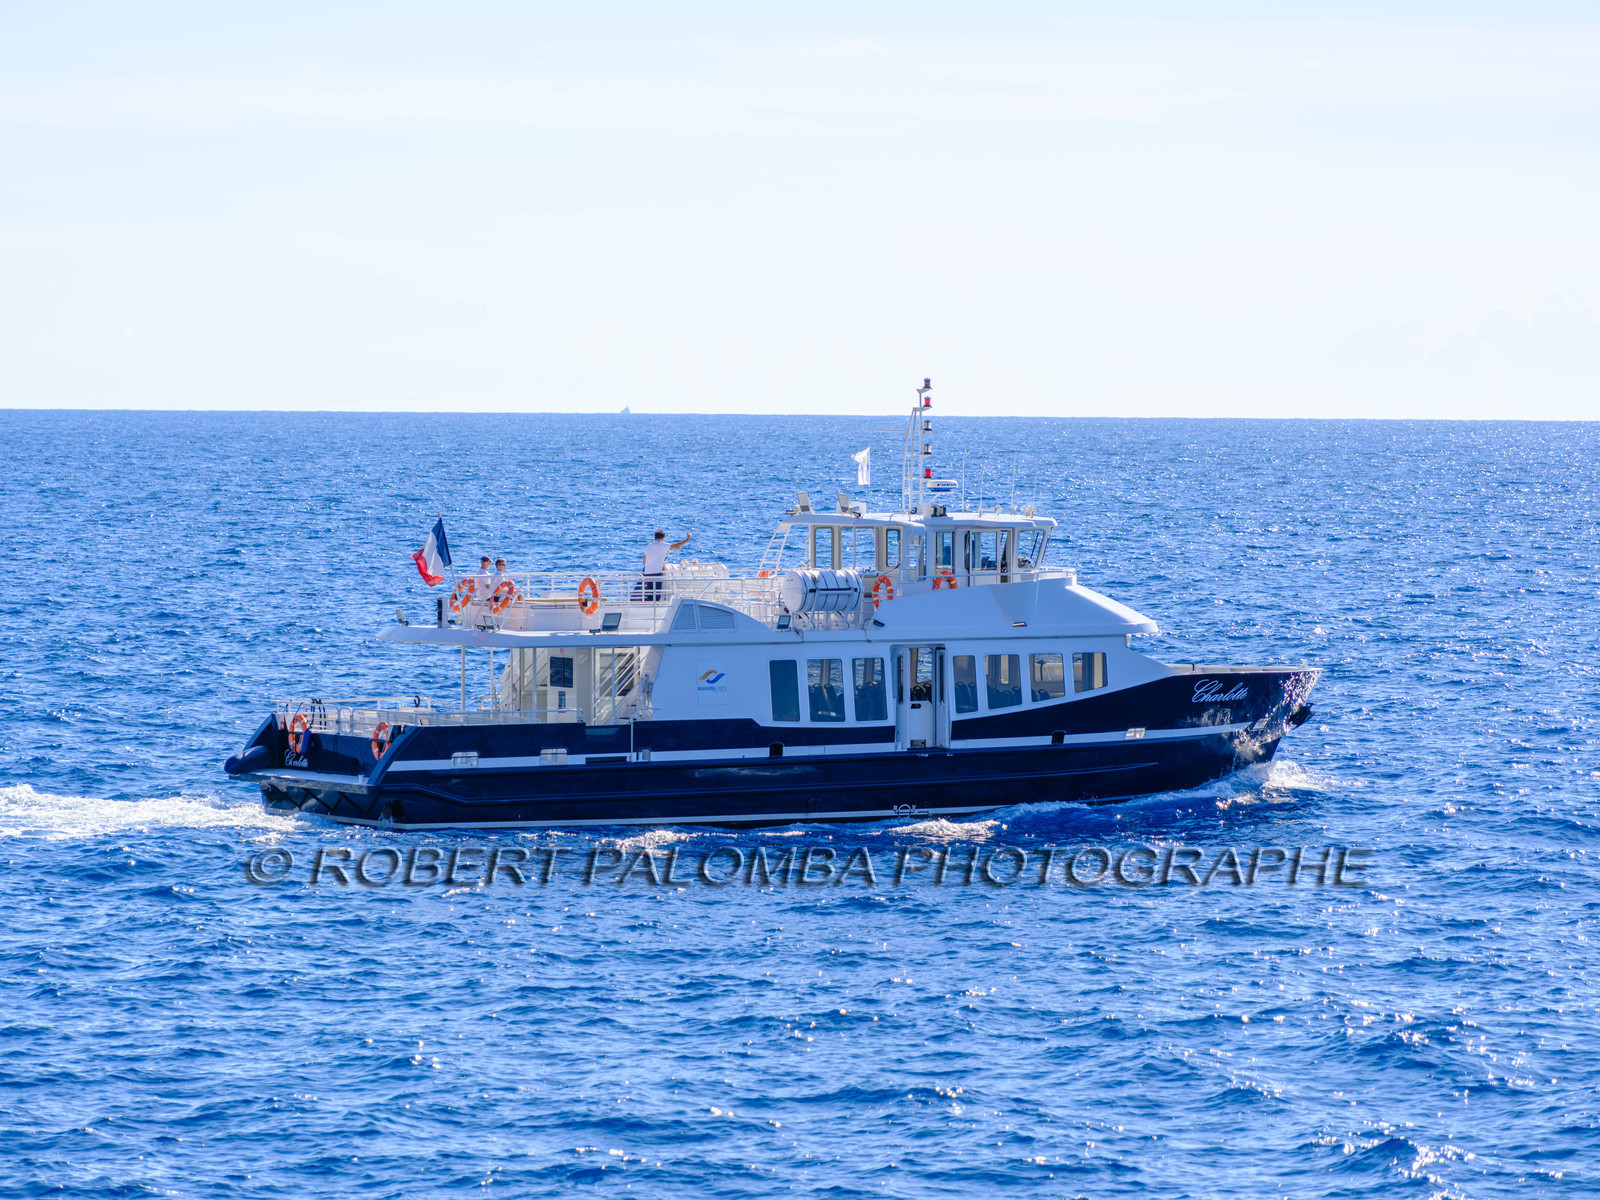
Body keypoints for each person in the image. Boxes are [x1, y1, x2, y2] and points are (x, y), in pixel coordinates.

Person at [641, 529, 690, 599]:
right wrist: (687, 539)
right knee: (657, 594)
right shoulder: (663, 545)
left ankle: (650, 605)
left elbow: (644, 561)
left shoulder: (648, 546)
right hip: (656, 573)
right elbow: (677, 545)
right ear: (663, 538)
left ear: (654, 537)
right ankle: (655, 607)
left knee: (650, 593)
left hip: (647, 573)